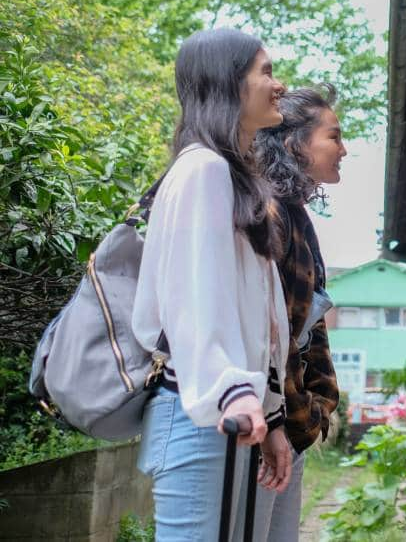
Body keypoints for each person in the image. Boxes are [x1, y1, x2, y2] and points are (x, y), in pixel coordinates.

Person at [131, 28, 293, 541]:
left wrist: (267, 410)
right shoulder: (202, 171)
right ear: (229, 83)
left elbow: (253, 318)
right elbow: (193, 305)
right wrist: (233, 393)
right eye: (265, 72)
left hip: (223, 414)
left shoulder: (228, 175)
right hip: (202, 413)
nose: (279, 84)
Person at [251, 86, 345, 540]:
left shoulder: (296, 216)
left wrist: (312, 413)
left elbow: (308, 331)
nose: (343, 149)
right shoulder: (268, 213)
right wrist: (281, 422)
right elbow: (270, 335)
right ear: (293, 144)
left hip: (289, 427)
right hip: (269, 430)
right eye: (334, 137)